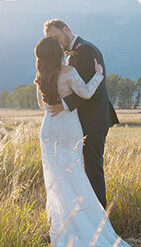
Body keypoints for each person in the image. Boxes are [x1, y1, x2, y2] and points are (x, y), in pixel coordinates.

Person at [34, 35, 141, 247]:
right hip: (68, 128)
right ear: (58, 53)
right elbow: (86, 93)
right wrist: (98, 74)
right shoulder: (68, 71)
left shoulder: (39, 78)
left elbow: (41, 106)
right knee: (75, 176)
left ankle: (62, 230)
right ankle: (84, 229)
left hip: (48, 129)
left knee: (56, 182)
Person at [42, 19, 118, 207]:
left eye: (55, 37)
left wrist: (64, 105)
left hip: (94, 120)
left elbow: (86, 90)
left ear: (66, 30)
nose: (54, 42)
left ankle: (100, 219)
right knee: (80, 171)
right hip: (77, 122)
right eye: (50, 39)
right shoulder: (70, 55)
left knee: (93, 170)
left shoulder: (86, 50)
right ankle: (85, 214)